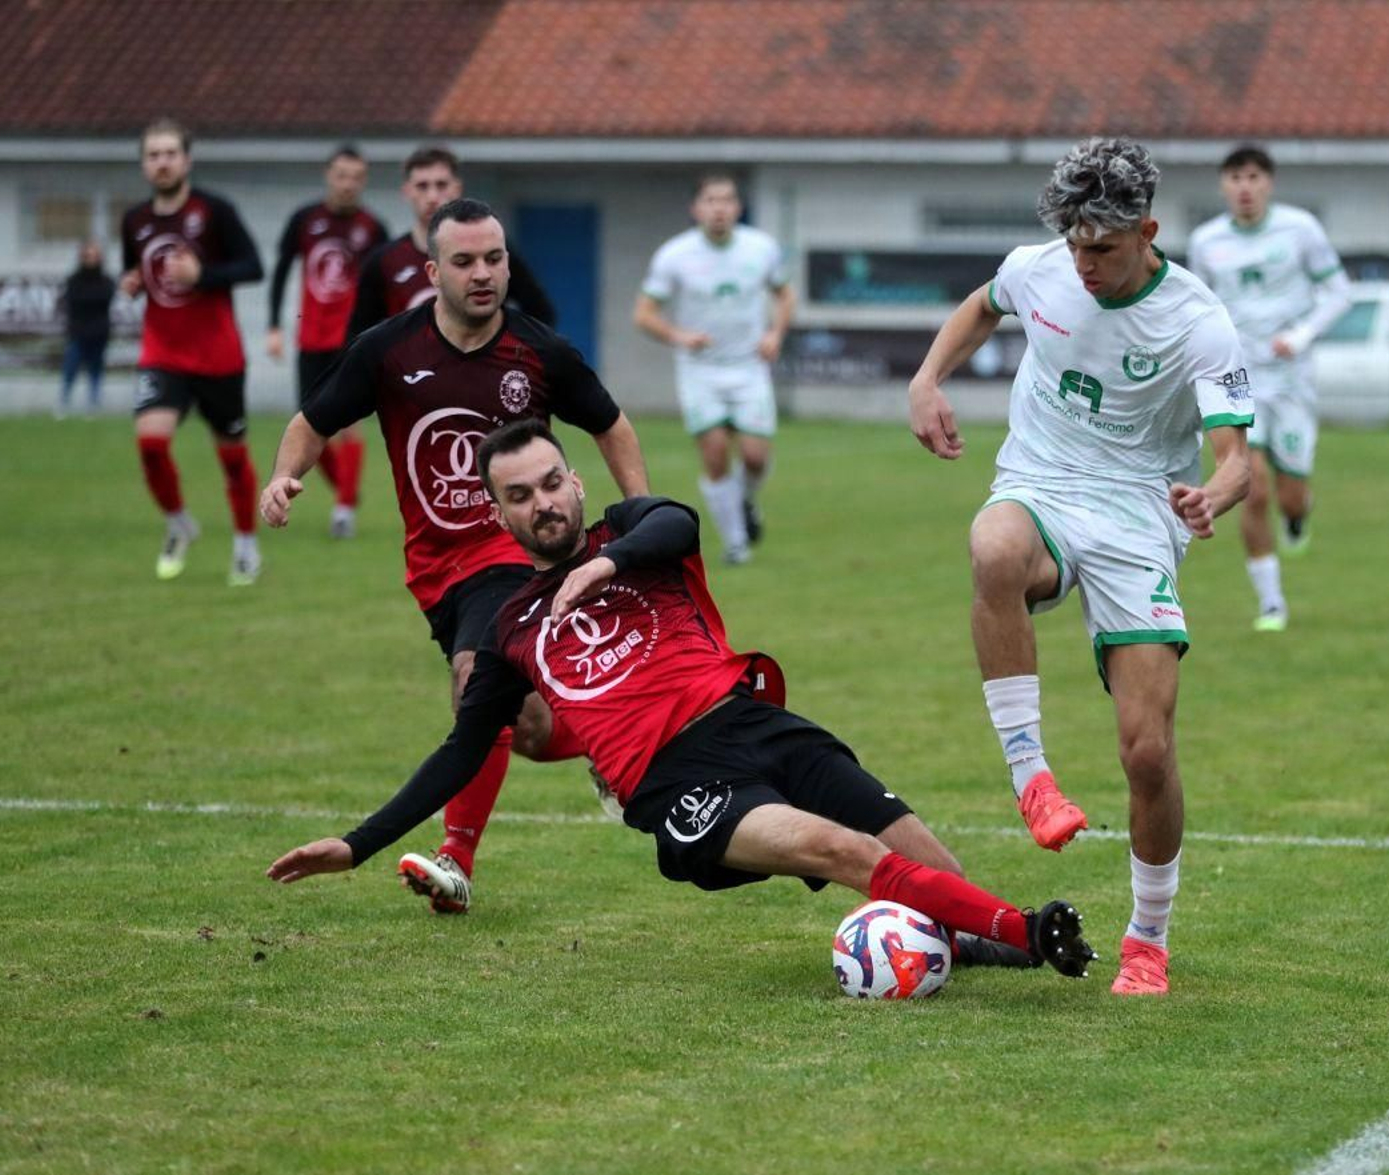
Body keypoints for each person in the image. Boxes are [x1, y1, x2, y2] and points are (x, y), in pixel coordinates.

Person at [266, 418, 1098, 982]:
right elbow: (459, 752)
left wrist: (603, 564)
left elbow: (680, 521)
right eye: (520, 495)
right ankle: (1028, 931)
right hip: (679, 784)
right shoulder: (511, 625)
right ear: (498, 511)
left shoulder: (635, 532)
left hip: (755, 722)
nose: (543, 503)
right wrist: (356, 844)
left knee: (928, 859)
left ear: (574, 480)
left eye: (551, 482)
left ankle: (977, 938)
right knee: (840, 847)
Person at [907, 137, 1254, 996]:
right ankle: (1032, 777)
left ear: (1148, 232)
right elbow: (983, 304)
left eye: (1103, 247)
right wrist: (927, 378)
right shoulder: (1043, 269)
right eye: (1074, 246)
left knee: (1148, 751)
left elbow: (1237, 458)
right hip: (1043, 483)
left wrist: (1212, 495)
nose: (1084, 264)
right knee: (992, 544)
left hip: (1139, 512)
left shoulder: (1198, 320)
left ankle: (1148, 938)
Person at [260, 197, 649, 913]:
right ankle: (613, 738)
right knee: (525, 728)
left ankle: (454, 860)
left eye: (494, 259)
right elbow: (312, 421)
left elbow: (612, 425)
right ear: (433, 271)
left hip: (517, 553)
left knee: (477, 676)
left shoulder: (539, 351)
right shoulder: (388, 350)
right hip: (437, 570)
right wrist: (285, 476)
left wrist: (639, 518)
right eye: (465, 262)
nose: (483, 274)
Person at [1186, 145, 1350, 632]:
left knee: (1290, 495)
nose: (1245, 187)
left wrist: (1301, 335)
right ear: (1223, 185)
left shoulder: (1300, 229)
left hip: (1292, 377)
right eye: (1235, 177)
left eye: (1254, 177)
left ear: (1269, 183)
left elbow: (1339, 291)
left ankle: (1298, 515)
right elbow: (1196, 306)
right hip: (1239, 376)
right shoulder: (1206, 241)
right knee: (1251, 486)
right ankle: (1272, 603)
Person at [120, 117, 265, 585]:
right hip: (162, 352)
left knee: (232, 458)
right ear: (144, 164)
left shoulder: (215, 211)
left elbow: (253, 266)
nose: (161, 162)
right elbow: (138, 269)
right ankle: (179, 522)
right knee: (150, 443)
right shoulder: (135, 220)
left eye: (170, 153)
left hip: (218, 357)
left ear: (186, 160)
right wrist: (133, 281)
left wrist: (202, 275)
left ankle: (245, 544)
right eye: (153, 155)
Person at [634, 173, 794, 565]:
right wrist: (679, 336)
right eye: (710, 200)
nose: (719, 208)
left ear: (738, 207)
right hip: (700, 370)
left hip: (749, 367)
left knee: (755, 457)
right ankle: (737, 544)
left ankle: (745, 501)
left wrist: (775, 334)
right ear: (696, 208)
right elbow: (644, 314)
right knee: (716, 451)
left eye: (726, 200)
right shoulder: (675, 255)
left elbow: (785, 294)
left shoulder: (761, 248)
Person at [265, 145, 389, 538]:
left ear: (364, 181)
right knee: (309, 425)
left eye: (356, 177)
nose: (348, 184)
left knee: (350, 425)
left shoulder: (374, 227)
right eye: (341, 175)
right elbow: (281, 271)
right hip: (311, 338)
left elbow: (384, 286)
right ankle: (347, 492)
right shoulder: (305, 220)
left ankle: (344, 511)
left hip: (352, 341)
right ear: (328, 176)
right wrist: (273, 326)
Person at [344, 145, 556, 340]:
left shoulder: (493, 252)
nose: (432, 196)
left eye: (441, 185)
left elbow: (541, 313)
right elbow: (358, 335)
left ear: (457, 188)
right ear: (407, 191)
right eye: (422, 186)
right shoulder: (383, 261)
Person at [58, 240, 116, 417]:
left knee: (95, 370)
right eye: (88, 256)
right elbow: (75, 301)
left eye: (94, 256)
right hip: (78, 333)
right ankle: (63, 403)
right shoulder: (73, 280)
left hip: (99, 333)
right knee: (70, 368)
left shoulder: (106, 281)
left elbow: (103, 299)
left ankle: (93, 404)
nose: (91, 259)